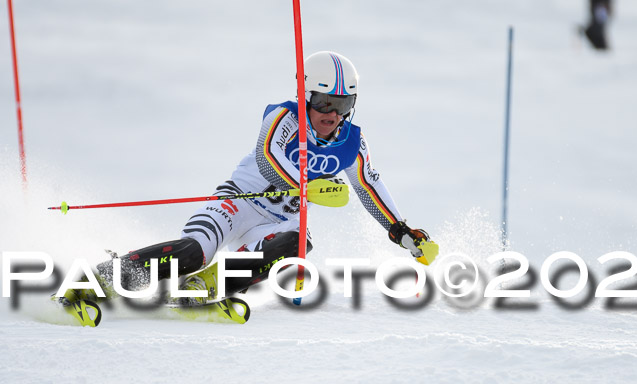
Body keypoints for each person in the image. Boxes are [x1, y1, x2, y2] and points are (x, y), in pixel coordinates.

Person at [57, 51, 438, 321]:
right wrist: (304, 187)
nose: (332, 115)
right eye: (323, 102)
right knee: (192, 252)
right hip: (238, 203)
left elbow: (369, 186)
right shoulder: (283, 116)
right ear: (306, 94)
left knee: (299, 241)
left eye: (343, 103)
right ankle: (98, 278)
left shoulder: (352, 139)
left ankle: (210, 287)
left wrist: (400, 231)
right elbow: (267, 158)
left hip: (275, 223)